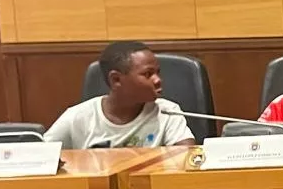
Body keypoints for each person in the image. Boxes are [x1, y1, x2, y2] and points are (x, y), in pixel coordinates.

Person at [44, 41, 195, 149]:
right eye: (148, 74)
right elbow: (39, 157)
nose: (157, 80)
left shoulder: (167, 111)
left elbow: (186, 159)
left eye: (158, 73)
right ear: (116, 79)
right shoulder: (77, 117)